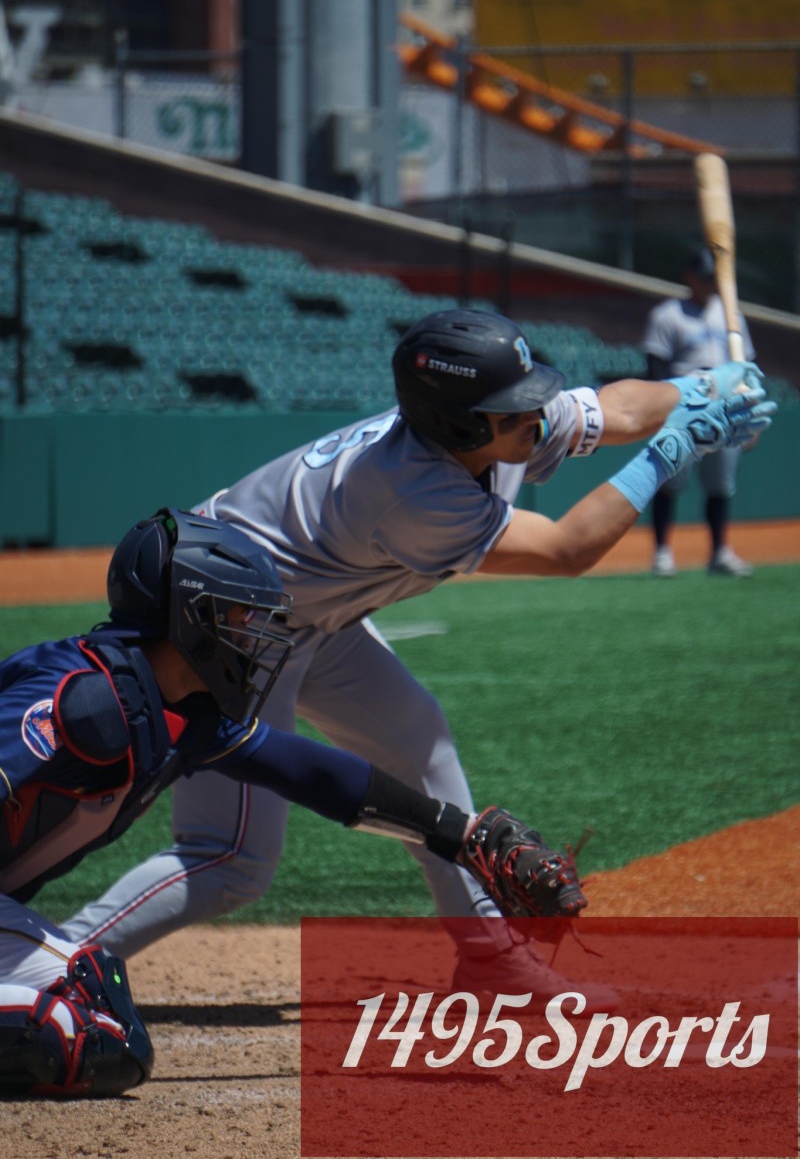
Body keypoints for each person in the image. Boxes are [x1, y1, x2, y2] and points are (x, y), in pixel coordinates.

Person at [61, 308, 773, 1006]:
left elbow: (618, 408)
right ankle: (49, 966)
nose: (538, 413)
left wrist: (705, 389)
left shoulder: (491, 427)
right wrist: (671, 451)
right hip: (223, 628)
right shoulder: (414, 490)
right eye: (516, 406)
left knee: (419, 743)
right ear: (460, 423)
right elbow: (566, 550)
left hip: (304, 616)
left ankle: (492, 956)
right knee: (230, 857)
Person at [0, 507, 588, 1096]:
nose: (250, 636)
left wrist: (459, 835)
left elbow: (310, 773)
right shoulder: (82, 700)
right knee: (92, 1027)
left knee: (102, 1026)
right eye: (238, 616)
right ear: (190, 616)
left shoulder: (179, 712)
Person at [642, 247, 759, 577]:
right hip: (684, 405)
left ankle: (719, 551)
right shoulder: (668, 315)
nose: (710, 283)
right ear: (689, 277)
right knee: (669, 481)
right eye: (705, 277)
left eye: (714, 278)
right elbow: (656, 367)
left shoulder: (731, 315)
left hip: (725, 407)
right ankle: (662, 553)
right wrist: (665, 409)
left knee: (720, 485)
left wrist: (750, 415)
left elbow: (746, 366)